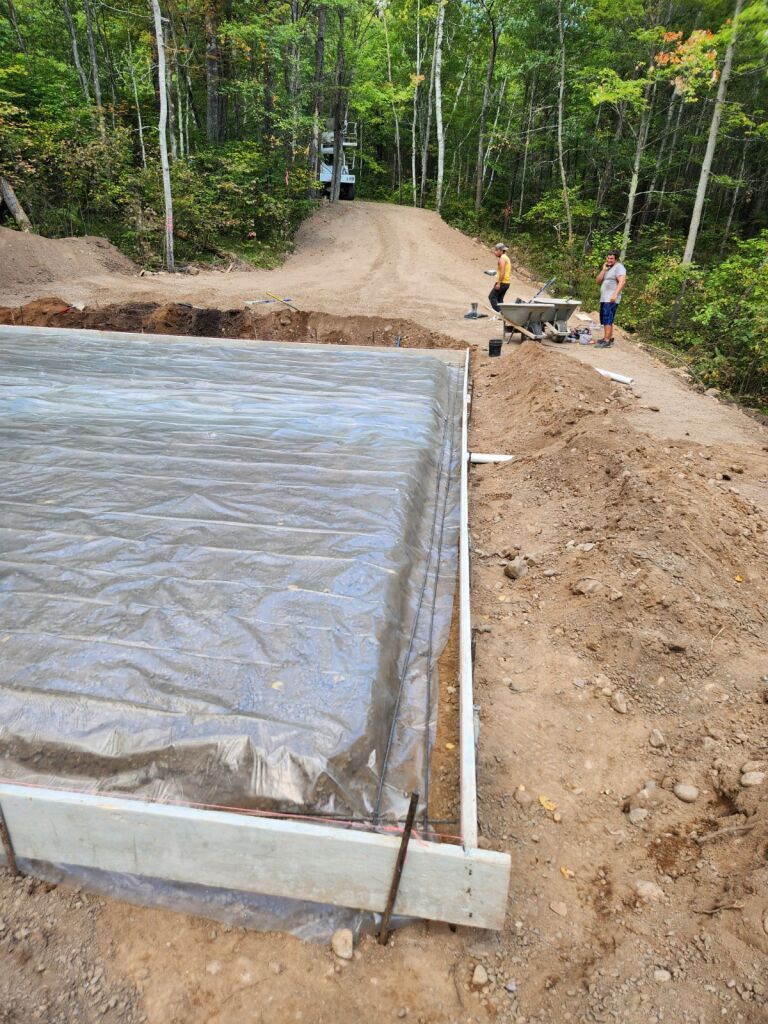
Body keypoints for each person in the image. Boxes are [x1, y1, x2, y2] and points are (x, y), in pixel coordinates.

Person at [595, 250, 626, 348]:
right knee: (606, 318)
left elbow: (622, 282)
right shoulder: (608, 268)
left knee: (607, 318)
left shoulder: (619, 267)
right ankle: (608, 338)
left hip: (611, 298)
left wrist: (614, 295)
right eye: (608, 258)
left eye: (611, 258)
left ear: (616, 259)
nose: (609, 260)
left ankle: (607, 341)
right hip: (604, 298)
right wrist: (603, 270)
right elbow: (597, 281)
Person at [488, 243, 511, 313]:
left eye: (496, 250)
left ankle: (502, 313)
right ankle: (504, 313)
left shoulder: (502, 259)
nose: (495, 252)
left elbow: (503, 271)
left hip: (502, 282)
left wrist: (498, 283)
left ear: (501, 251)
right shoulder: (506, 257)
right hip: (507, 283)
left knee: (491, 297)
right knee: (499, 299)